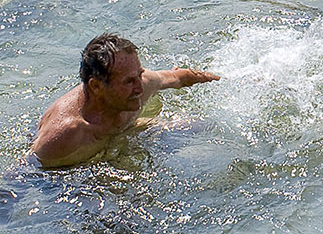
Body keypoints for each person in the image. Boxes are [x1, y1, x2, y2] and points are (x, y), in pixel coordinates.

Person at [30, 33, 220, 168]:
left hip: (122, 133)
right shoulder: (66, 134)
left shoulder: (143, 84)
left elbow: (179, 77)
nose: (139, 88)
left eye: (139, 74)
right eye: (129, 81)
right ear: (96, 86)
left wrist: (225, 79)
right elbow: (27, 171)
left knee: (204, 126)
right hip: (80, 166)